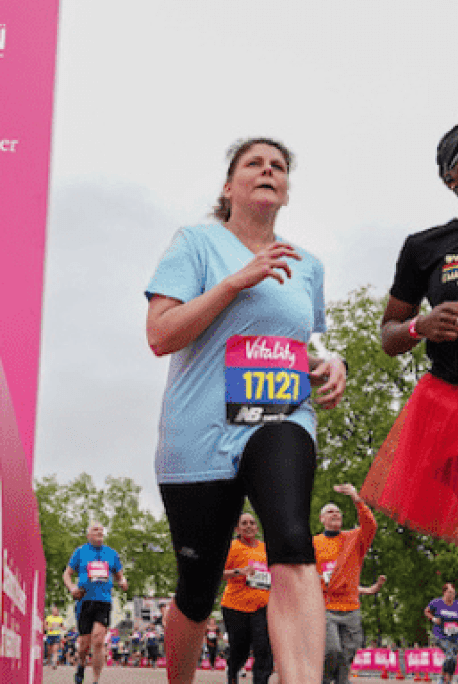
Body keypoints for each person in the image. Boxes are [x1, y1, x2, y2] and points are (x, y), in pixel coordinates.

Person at [146, 137, 347, 684]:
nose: (268, 171)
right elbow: (161, 335)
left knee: (290, 538)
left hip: (279, 416)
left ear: (285, 190)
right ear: (228, 187)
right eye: (253, 164)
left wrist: (331, 364)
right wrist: (236, 281)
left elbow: (302, 342)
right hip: (200, 433)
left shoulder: (307, 265)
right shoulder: (197, 244)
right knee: (196, 589)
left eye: (278, 166)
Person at [361, 125, 458, 542]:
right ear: (451, 178)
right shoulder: (425, 247)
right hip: (448, 405)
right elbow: (388, 336)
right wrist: (422, 325)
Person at [314, 484, 377, 684]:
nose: (335, 514)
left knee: (348, 653)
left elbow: (371, 525)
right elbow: (307, 572)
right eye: (330, 512)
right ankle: (324, 679)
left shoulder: (355, 538)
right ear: (321, 519)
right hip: (326, 606)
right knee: (332, 650)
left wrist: (356, 499)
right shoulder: (313, 543)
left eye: (338, 512)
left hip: (351, 607)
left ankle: (340, 681)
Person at [63, 521, 128, 684]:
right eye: (95, 529)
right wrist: (72, 588)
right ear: (88, 535)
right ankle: (81, 665)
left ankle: (95, 680)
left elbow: (120, 575)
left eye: (101, 529)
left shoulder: (111, 554)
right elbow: (67, 575)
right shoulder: (80, 552)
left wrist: (123, 582)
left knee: (98, 640)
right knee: (84, 644)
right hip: (84, 601)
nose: (99, 531)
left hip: (103, 601)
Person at [221, 513, 273, 684]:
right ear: (237, 529)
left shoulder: (265, 548)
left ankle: (261, 680)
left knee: (264, 648)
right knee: (240, 649)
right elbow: (217, 573)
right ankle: (232, 673)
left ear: (257, 529)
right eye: (244, 523)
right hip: (235, 607)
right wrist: (239, 571)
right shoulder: (231, 547)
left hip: (261, 607)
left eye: (252, 523)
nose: (249, 526)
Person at [426, 583, 458, 684]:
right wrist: (434, 619)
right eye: (449, 592)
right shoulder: (436, 602)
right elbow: (426, 611)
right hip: (440, 635)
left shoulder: (457, 605)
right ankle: (442, 679)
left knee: (453, 659)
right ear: (444, 592)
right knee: (450, 654)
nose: (451, 595)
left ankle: (448, 680)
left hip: (454, 636)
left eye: (453, 593)